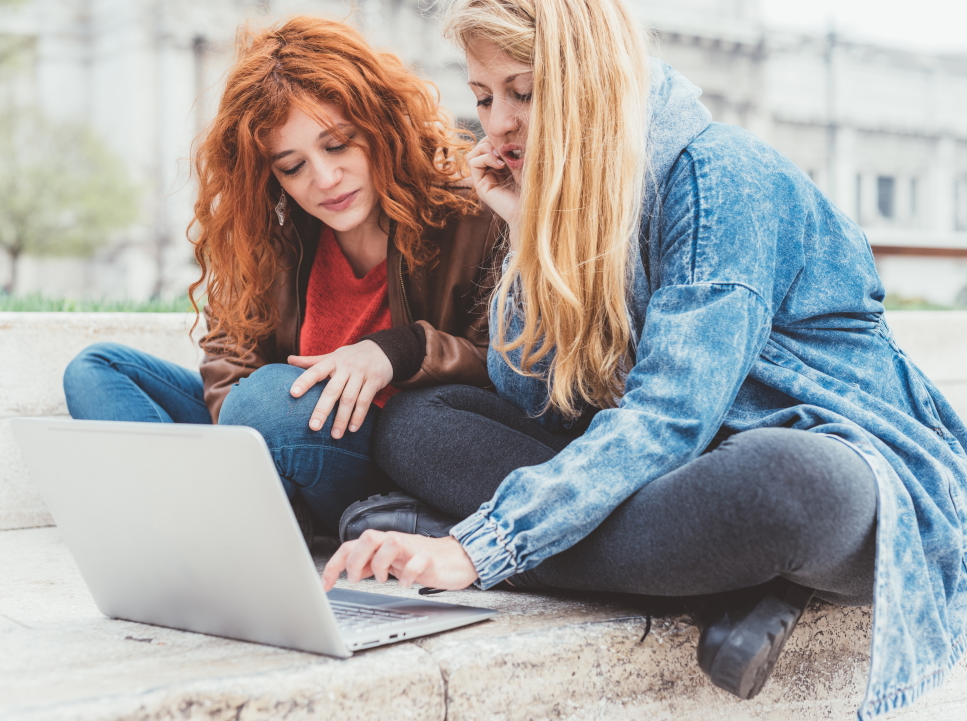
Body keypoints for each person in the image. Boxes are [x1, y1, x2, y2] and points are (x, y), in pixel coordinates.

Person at [321, 0, 967, 716]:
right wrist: (527, 232)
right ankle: (717, 578)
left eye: (524, 92)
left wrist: (476, 547)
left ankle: (482, 539)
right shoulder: (574, 190)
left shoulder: (719, 177)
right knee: (418, 419)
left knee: (788, 486)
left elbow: (670, 414)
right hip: (673, 477)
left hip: (832, 459)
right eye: (483, 96)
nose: (496, 122)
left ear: (589, 80)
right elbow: (529, 396)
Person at [63, 16, 502, 534]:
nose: (325, 179)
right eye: (291, 167)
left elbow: (500, 366)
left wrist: (396, 351)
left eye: (338, 144)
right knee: (97, 370)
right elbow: (229, 362)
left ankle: (211, 513)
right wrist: (248, 448)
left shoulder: (469, 212)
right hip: (278, 436)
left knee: (268, 399)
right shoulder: (269, 235)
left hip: (384, 451)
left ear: (381, 126)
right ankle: (231, 512)